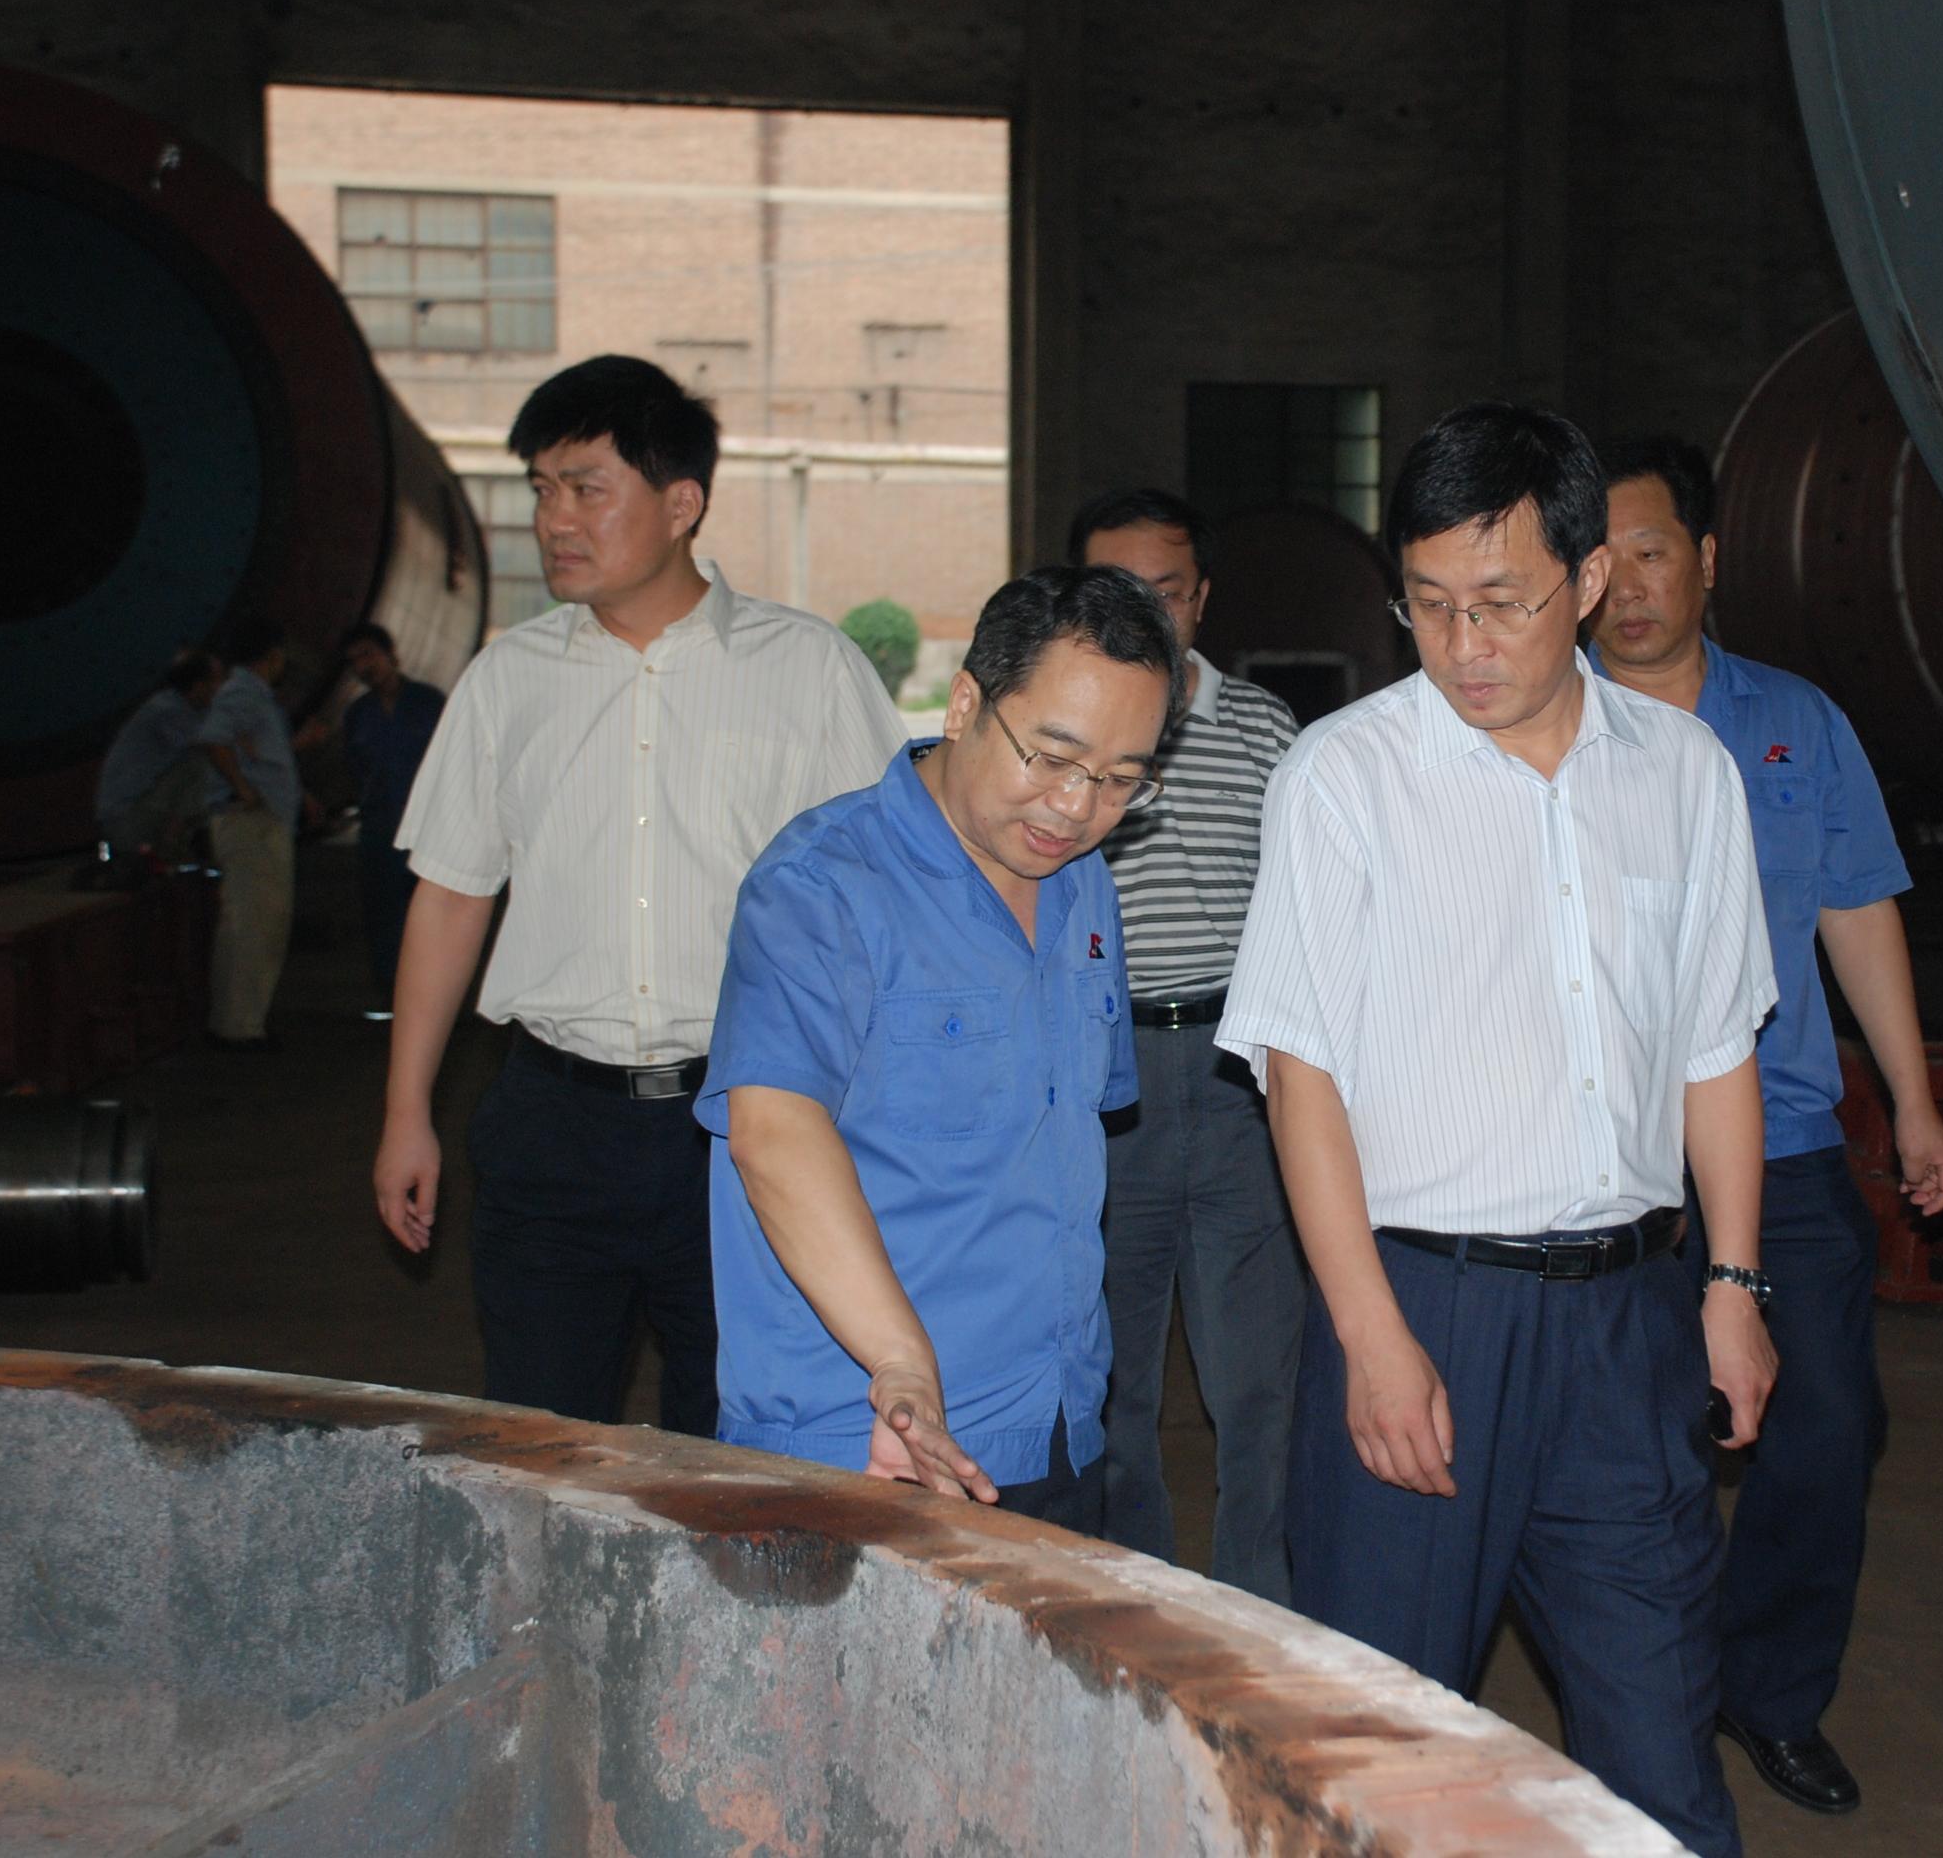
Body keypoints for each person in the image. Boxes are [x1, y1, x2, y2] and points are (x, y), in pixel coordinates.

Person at [1218, 401, 1779, 1856]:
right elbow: (1301, 1074)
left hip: (1631, 1327)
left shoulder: (1686, 774)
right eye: (1428, 605)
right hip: (1429, 1314)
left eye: (1501, 602)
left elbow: (1715, 1047)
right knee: (1382, 1758)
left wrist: (1731, 1286)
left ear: (1586, 581)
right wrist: (1371, 1336)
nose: (1463, 645)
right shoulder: (1344, 777)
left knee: (1663, 1759)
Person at [373, 355, 906, 1438]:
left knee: (742, 1449)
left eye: (585, 488)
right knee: (538, 1444)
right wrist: (404, 1114)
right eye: (541, 490)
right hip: (552, 1128)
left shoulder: (807, 672)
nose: (553, 520)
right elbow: (452, 899)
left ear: (681, 503)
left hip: (748, 1122)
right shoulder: (507, 682)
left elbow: (884, 904)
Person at [1590, 434, 1943, 1817]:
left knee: (1827, 1425)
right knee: (1633, 1451)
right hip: (1612, 1164)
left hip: (1787, 1142)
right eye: (1602, 561)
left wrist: (1912, 1098)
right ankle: (1649, 1703)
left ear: (1706, 560)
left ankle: (1771, 1688)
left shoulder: (1797, 722)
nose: (1628, 587)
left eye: (1652, 554)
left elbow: (1855, 907)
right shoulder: (1545, 729)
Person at [700, 566, 1179, 1525]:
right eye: (1051, 757)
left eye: (1120, 781)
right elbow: (773, 1131)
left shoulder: (1083, 884)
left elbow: (1068, 1146)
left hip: (1057, 1419)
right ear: (965, 705)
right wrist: (900, 1358)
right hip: (866, 1436)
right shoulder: (823, 886)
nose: (1075, 807)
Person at [1066, 487, 1305, 1601]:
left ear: (1201, 599)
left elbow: (1311, 913)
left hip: (1237, 1073)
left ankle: (1260, 1606)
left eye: (1164, 593)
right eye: (1115, 594)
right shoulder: (1060, 739)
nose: (1143, 617)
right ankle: (1138, 1607)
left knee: (1258, 1378)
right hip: (1103, 1079)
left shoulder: (1264, 730)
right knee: (1107, 1375)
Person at [199, 615, 309, 1050]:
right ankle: (240, 1027)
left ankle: (236, 1020)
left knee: (248, 923)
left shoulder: (251, 695)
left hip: (257, 821)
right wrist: (245, 790)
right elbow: (214, 739)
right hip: (252, 825)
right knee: (255, 925)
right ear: (273, 656)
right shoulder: (244, 692)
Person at [333, 622, 446, 1018]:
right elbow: (353, 771)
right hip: (380, 830)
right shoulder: (358, 715)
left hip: (429, 830)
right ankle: (393, 998)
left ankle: (434, 999)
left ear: (391, 655)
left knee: (431, 919)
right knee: (384, 916)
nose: (363, 667)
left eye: (369, 655)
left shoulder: (429, 703)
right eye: (354, 662)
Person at [96, 647, 222, 859]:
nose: (224, 687)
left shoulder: (193, 707)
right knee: (202, 763)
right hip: (127, 822)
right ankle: (170, 846)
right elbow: (217, 747)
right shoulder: (167, 710)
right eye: (218, 680)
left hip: (140, 812)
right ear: (199, 685)